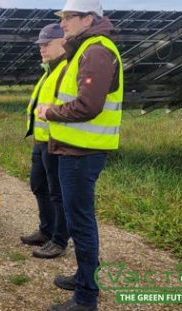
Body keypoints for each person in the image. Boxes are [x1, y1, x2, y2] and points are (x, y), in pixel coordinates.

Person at [38, 0, 123, 309]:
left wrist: (50, 112)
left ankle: (86, 297)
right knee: (78, 221)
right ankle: (85, 276)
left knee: (81, 222)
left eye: (69, 17)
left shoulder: (96, 51)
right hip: (72, 149)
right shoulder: (86, 48)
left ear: (89, 18)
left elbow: (88, 105)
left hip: (82, 153)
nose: (63, 23)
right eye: (63, 18)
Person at [21, 23, 70, 259]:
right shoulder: (48, 71)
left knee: (57, 193)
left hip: (56, 142)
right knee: (38, 186)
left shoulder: (68, 69)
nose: (42, 49)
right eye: (40, 45)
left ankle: (59, 240)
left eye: (47, 44)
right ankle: (46, 230)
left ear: (63, 42)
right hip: (40, 142)